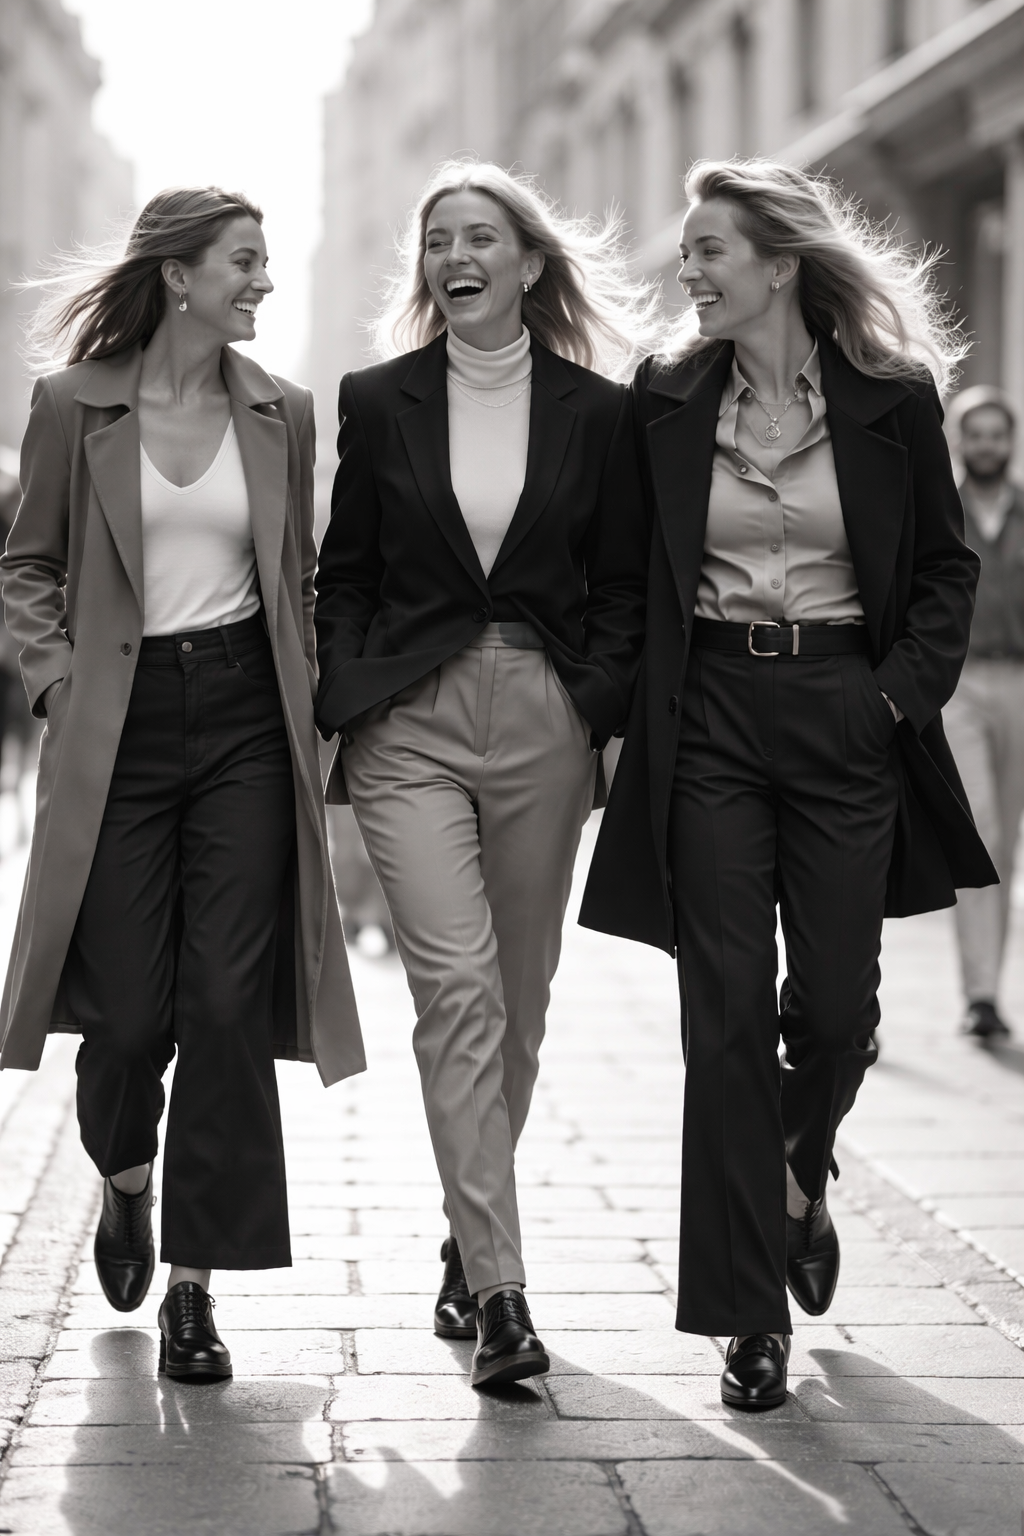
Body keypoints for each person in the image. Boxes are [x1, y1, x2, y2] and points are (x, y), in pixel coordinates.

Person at [580, 159, 995, 1411]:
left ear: (778, 262)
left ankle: (796, 1174)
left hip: (842, 716)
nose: (687, 272)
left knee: (831, 1014)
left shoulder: (891, 398)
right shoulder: (661, 397)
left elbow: (940, 573)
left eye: (708, 251)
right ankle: (743, 1317)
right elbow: (616, 570)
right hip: (705, 716)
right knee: (720, 1015)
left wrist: (890, 699)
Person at [0, 187, 364, 1381]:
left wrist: (314, 717)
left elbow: (297, 582)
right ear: (179, 276)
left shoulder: (283, 412)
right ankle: (125, 1174)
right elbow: (30, 570)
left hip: (249, 727)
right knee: (124, 1013)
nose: (262, 283)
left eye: (263, 263)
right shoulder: (73, 405)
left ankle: (197, 1290)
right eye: (243, 263)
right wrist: (57, 688)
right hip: (120, 720)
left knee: (221, 1002)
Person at [314, 160, 653, 1387]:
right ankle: (503, 1291)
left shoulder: (599, 412)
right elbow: (343, 567)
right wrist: (348, 688)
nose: (455, 255)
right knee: (454, 993)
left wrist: (591, 705)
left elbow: (622, 585)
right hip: (411, 723)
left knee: (517, 997)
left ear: (527, 264)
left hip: (544, 723)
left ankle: (467, 1236)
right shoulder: (377, 397)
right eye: (437, 239)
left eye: (480, 236)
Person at [943, 388, 1023, 1040]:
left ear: (1012, 441)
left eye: (999, 435)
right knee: (984, 832)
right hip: (961, 684)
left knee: (1010, 840)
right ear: (961, 441)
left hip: (1021, 683)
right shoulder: (944, 509)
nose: (989, 445)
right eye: (978, 435)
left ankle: (990, 991)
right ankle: (978, 994)